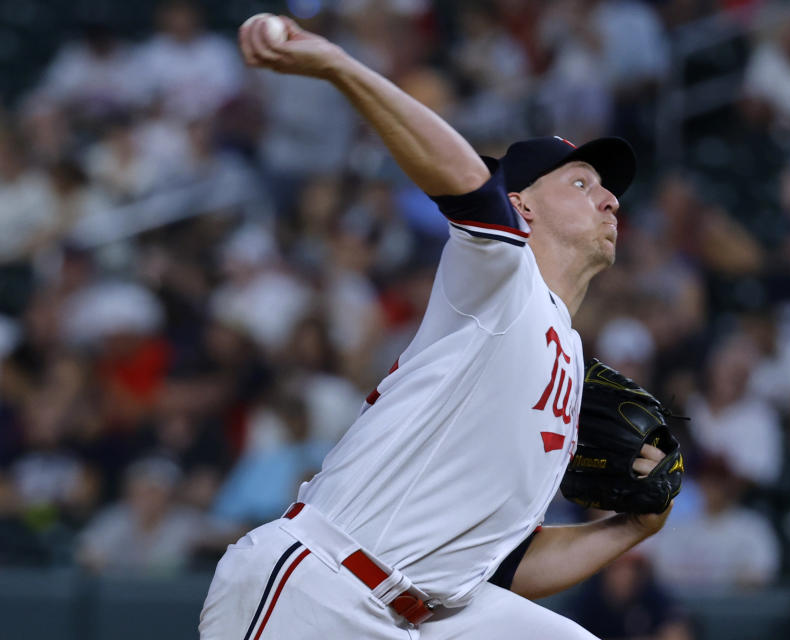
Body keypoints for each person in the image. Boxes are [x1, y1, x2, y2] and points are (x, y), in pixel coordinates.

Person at [199, 15, 673, 639]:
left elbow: (497, 566)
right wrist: (342, 67)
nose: (609, 198)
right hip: (321, 586)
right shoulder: (503, 279)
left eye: (607, 189)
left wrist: (632, 526)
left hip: (425, 611)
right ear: (522, 204)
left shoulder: (568, 356)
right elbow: (471, 187)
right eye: (581, 183)